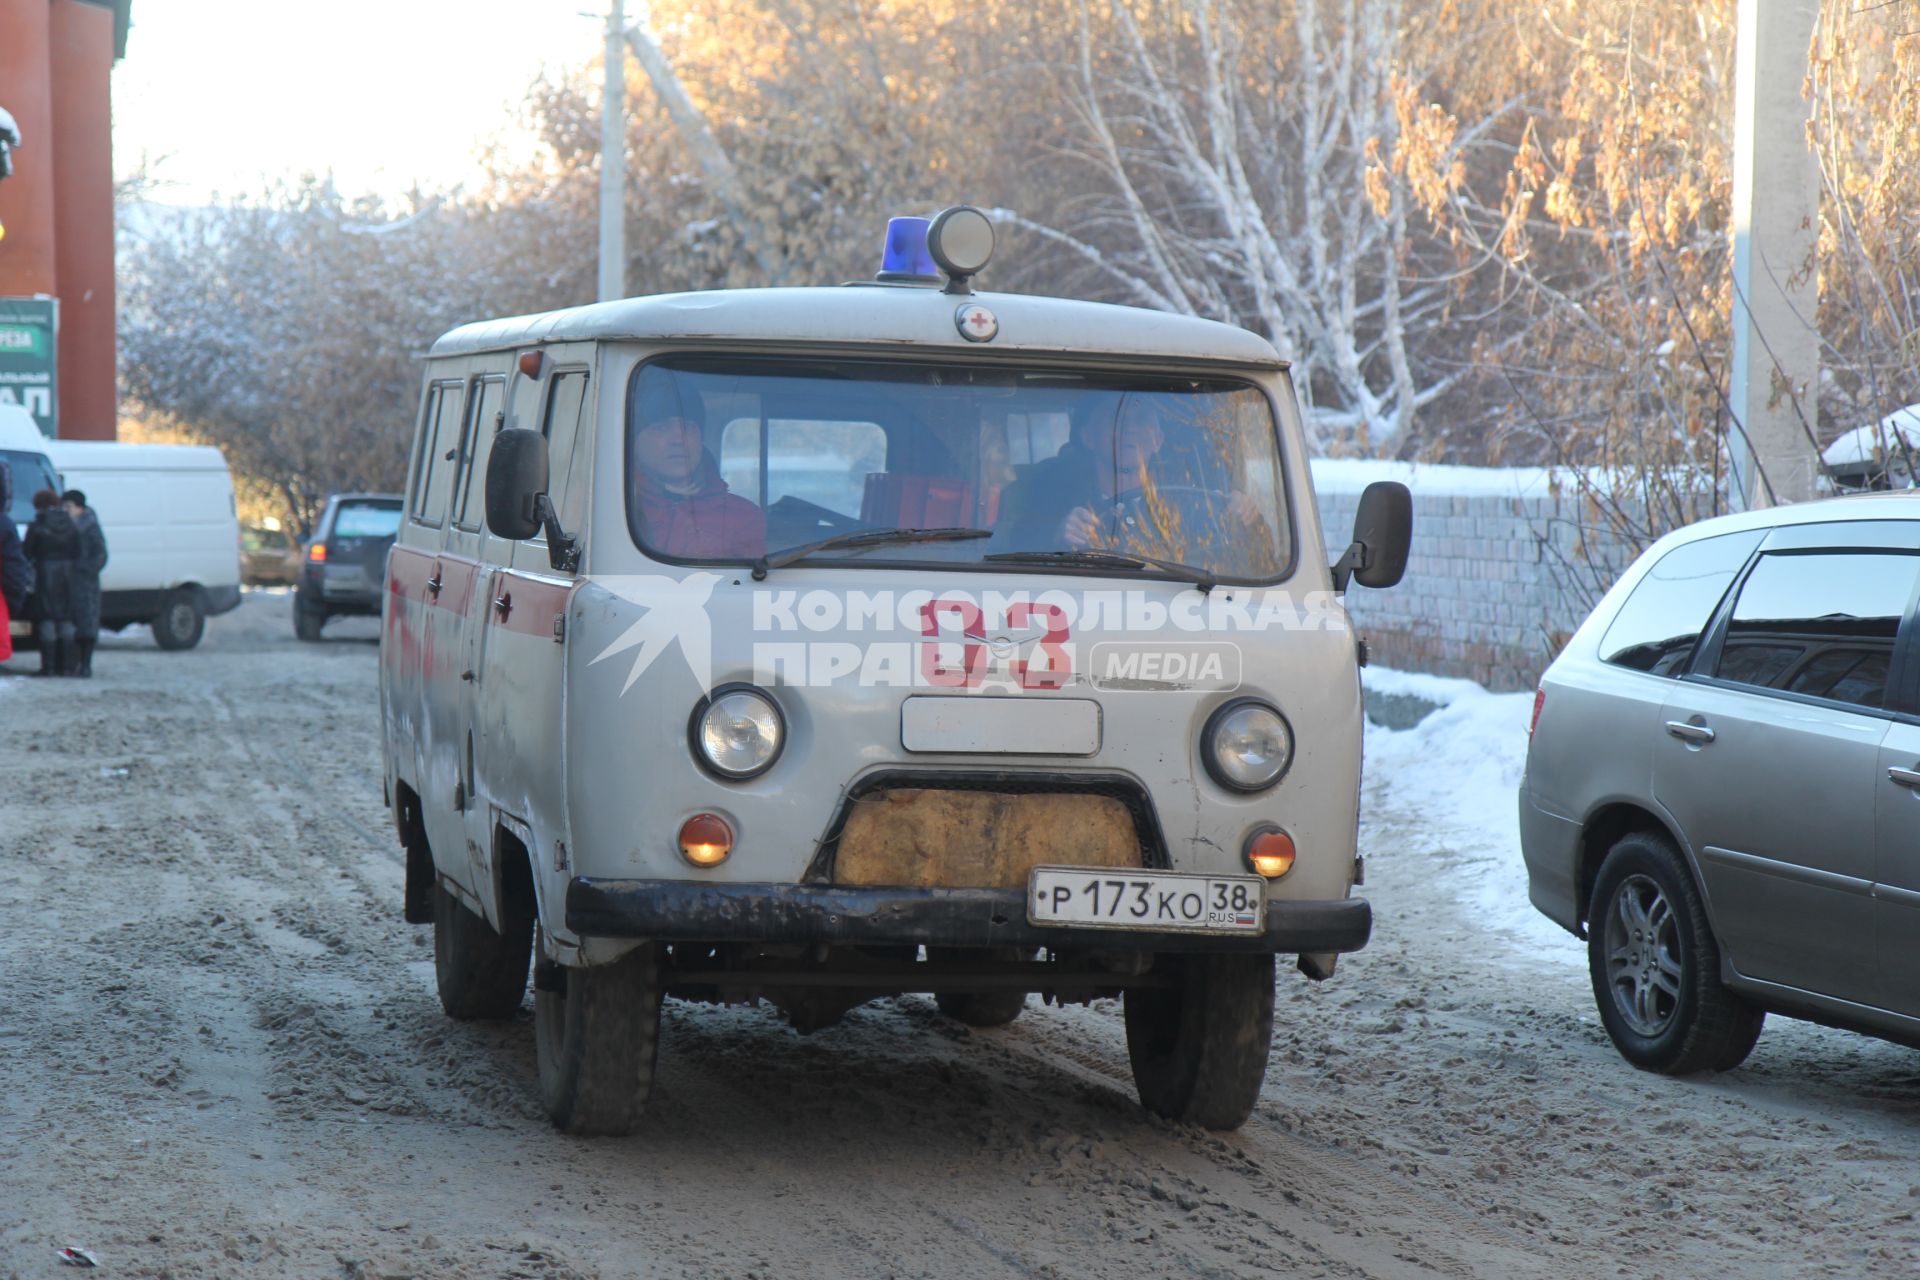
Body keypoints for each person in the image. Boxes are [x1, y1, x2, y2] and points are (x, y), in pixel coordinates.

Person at [995, 393, 1169, 551]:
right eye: (1116, 418)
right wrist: (1056, 536)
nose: (1130, 428)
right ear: (1088, 437)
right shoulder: (1052, 495)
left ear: (1158, 441)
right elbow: (1016, 546)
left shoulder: (1184, 503)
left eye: (1142, 419)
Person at [630, 414, 766, 558]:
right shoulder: (615, 509)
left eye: (689, 427)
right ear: (634, 442)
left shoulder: (744, 515)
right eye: (660, 428)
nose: (679, 440)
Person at [23, 488, 78, 675]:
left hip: (45, 573)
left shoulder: (37, 525)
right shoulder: (71, 524)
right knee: (66, 619)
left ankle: (49, 667)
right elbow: (79, 551)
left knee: (47, 620)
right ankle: (68, 667)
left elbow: (26, 553)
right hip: (68, 575)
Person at [63, 489, 106, 678]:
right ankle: (72, 664)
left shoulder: (90, 526)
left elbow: (101, 554)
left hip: (86, 584)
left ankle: (86, 665)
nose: (66, 510)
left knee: (87, 624)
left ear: (79, 507)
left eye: (69, 506)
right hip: (68, 583)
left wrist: (86, 569)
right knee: (71, 624)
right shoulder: (66, 525)